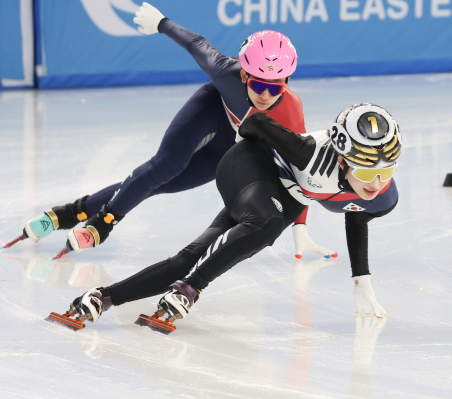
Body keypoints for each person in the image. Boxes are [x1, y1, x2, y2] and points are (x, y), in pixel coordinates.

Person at [4, 2, 333, 259]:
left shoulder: (292, 112)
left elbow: (299, 171)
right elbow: (196, 44)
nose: (265, 94)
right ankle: (103, 224)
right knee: (165, 165)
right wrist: (161, 24)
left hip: (229, 147)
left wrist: (300, 226)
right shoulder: (226, 73)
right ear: (245, 76)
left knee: (160, 184)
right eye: (258, 83)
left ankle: (69, 212)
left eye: (275, 88)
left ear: (287, 82)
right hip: (211, 111)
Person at [48, 103, 400, 332]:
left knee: (189, 258)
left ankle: (102, 298)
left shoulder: (382, 195)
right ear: (340, 158)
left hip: (283, 197)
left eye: (387, 171)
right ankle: (190, 289)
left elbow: (357, 217)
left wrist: (361, 282)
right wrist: (241, 140)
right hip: (248, 164)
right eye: (368, 174)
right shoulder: (309, 154)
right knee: (268, 223)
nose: (377, 184)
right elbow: (259, 122)